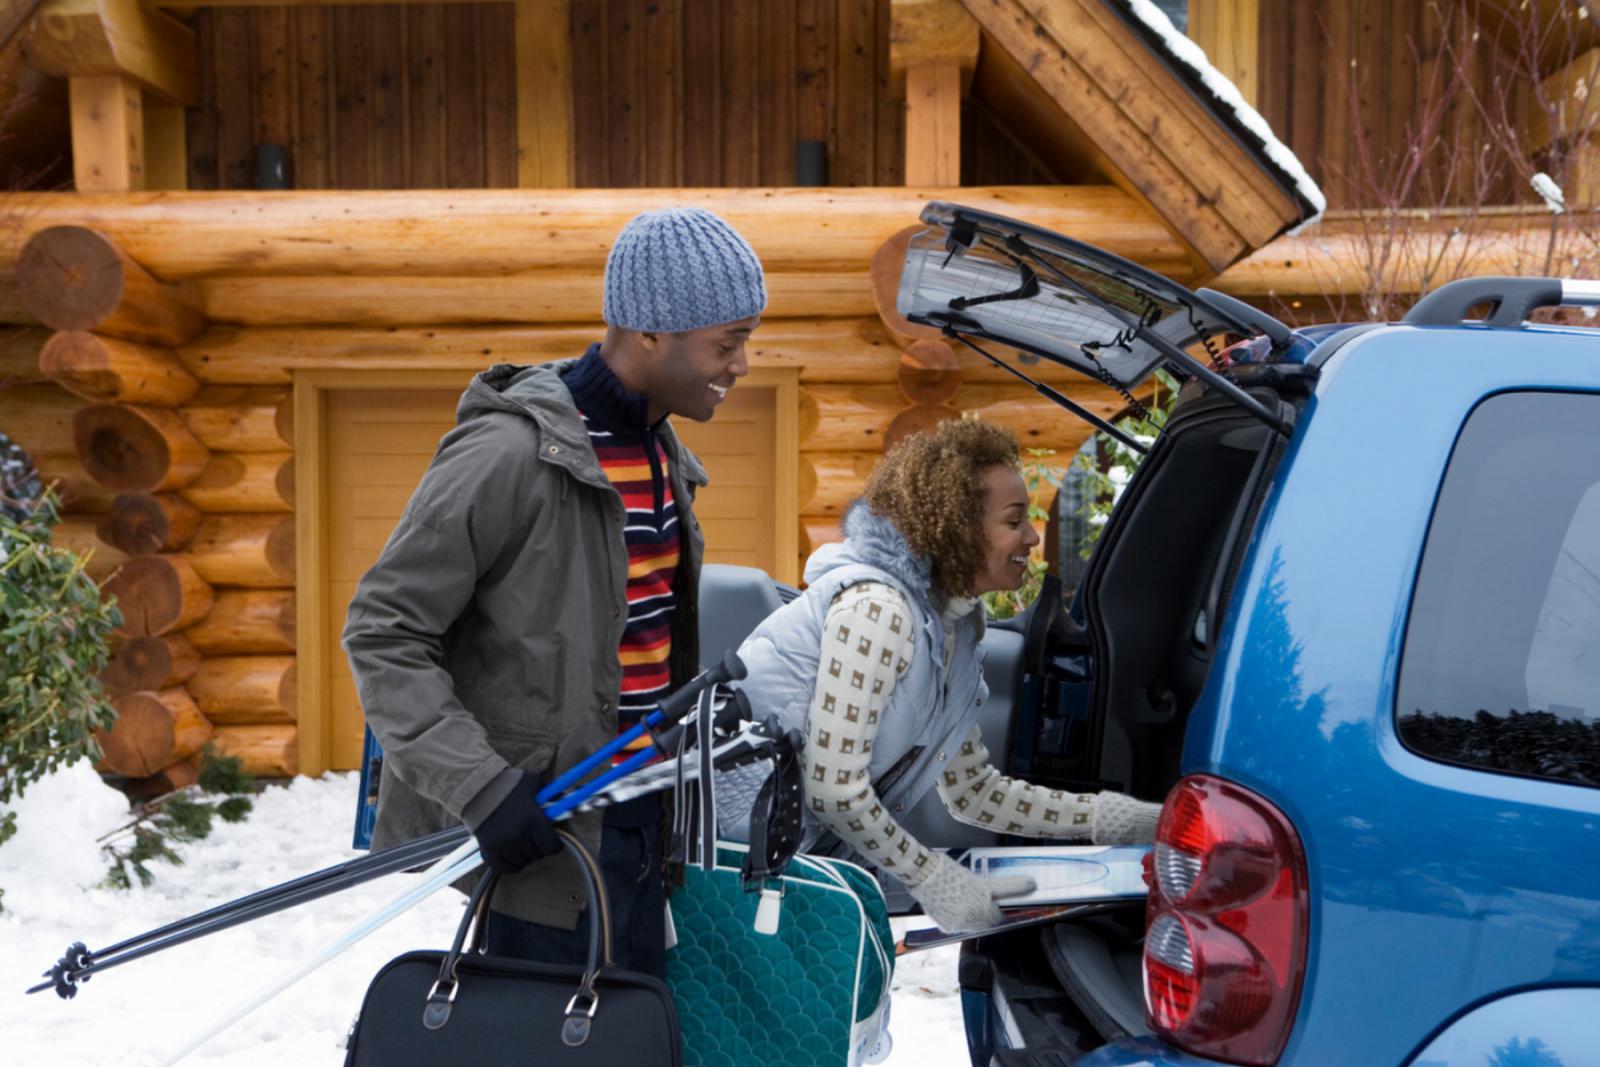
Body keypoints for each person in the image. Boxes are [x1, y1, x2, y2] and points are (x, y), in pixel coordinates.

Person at [342, 207, 766, 977]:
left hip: (641, 821)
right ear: (651, 332)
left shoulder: (661, 451)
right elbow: (383, 630)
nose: (742, 363)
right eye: (728, 341)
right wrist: (483, 789)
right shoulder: (511, 453)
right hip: (541, 835)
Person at [735, 419, 1162, 934]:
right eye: (1014, 521)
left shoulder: (953, 628)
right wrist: (933, 878)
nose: (1032, 536)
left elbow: (974, 791)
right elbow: (834, 789)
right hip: (731, 871)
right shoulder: (879, 612)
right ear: (958, 528)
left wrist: (1127, 820)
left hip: (796, 869)